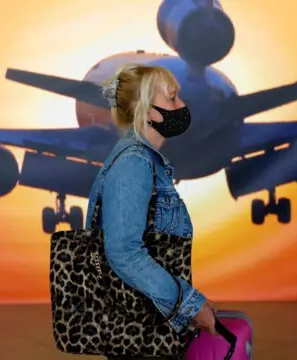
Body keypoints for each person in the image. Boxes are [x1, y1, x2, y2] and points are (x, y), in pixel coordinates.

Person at [84, 63, 217, 360]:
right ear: (146, 111)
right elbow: (124, 251)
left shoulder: (144, 161)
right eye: (172, 98)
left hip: (151, 323)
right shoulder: (134, 164)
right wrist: (190, 305)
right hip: (142, 329)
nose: (181, 105)